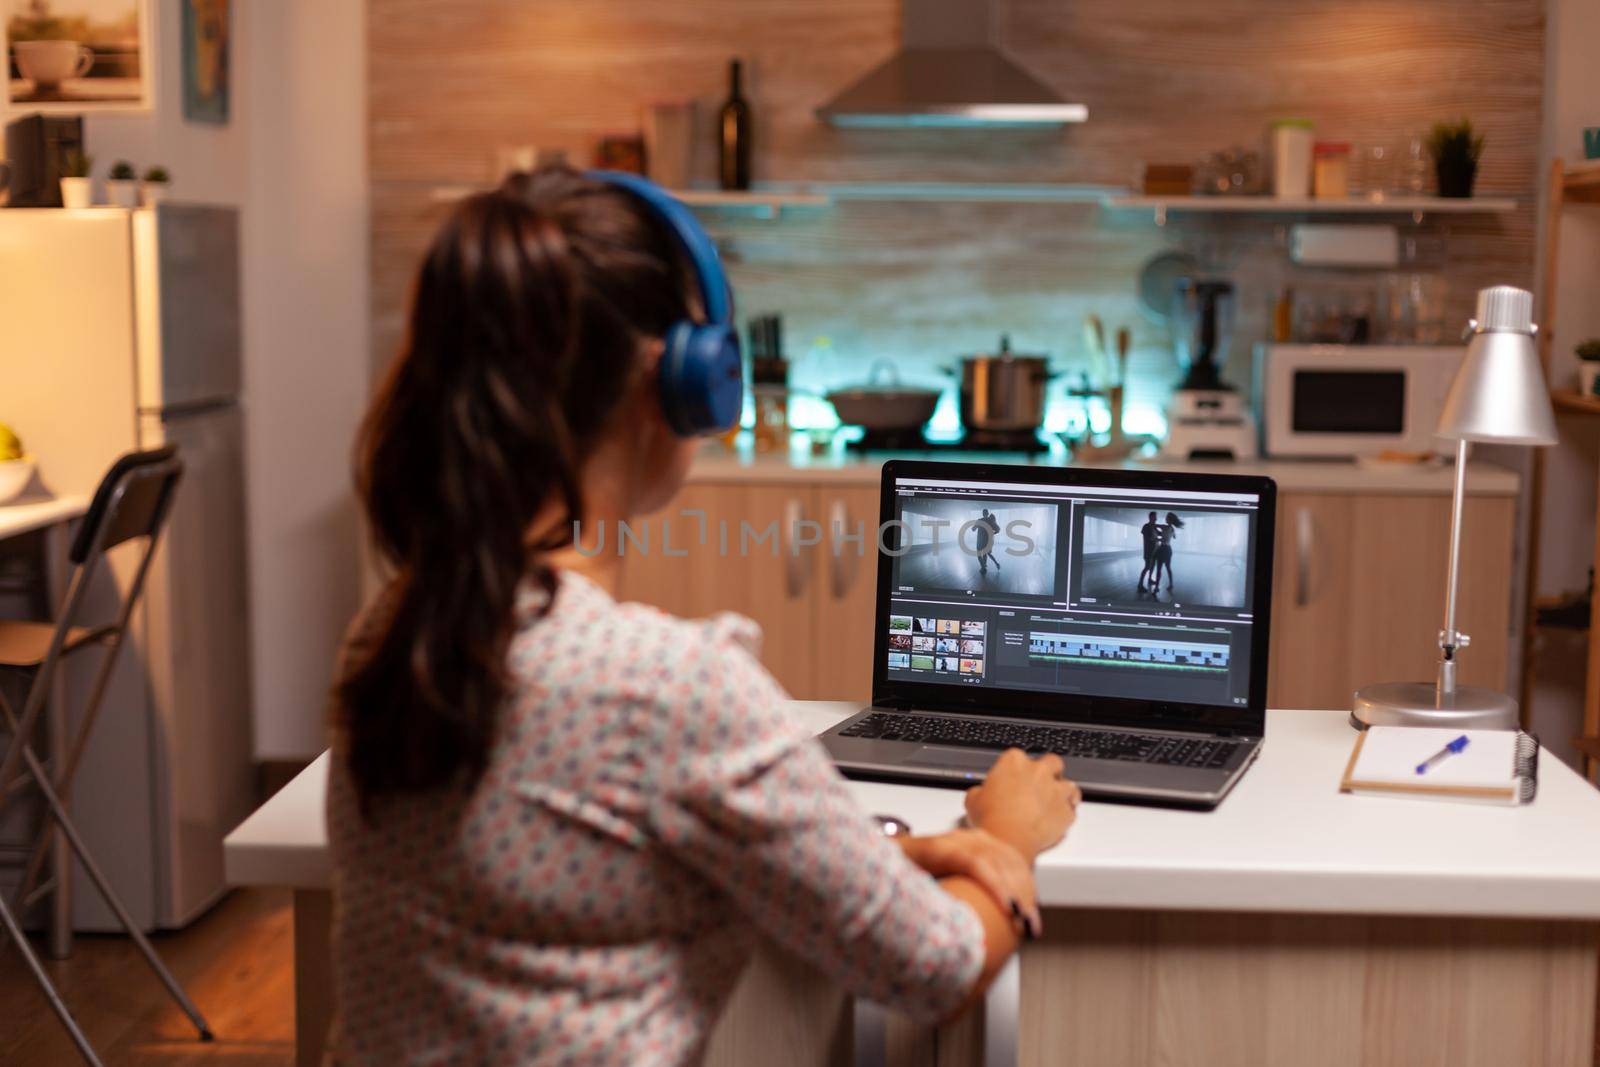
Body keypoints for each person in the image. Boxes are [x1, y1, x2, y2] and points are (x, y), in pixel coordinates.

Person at [326, 167, 1080, 1066]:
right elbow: (935, 970)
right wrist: (1006, 837)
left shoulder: (394, 631)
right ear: (683, 381)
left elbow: (594, 853)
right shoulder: (671, 689)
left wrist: (887, 857)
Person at [1152, 512, 1187, 592]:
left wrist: (1156, 538)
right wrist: (1162, 534)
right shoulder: (1172, 529)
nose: (1165, 518)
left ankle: (1157, 587)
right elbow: (1173, 537)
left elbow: (1154, 526)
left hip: (1163, 549)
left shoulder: (1164, 527)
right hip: (1168, 550)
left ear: (1169, 519)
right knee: (1168, 568)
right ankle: (1171, 585)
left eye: (1167, 517)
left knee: (1159, 569)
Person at [973, 507, 1002, 576]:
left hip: (980, 540)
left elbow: (973, 529)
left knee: (979, 555)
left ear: (983, 514)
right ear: (987, 513)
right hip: (988, 540)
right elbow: (998, 529)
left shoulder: (979, 520)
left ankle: (983, 567)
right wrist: (992, 533)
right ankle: (993, 564)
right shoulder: (991, 520)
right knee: (986, 554)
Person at [1138, 510, 1160, 591]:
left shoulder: (1154, 527)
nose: (1156, 518)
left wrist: (1166, 528)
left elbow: (1160, 534)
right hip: (1148, 551)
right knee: (1147, 567)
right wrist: (1156, 539)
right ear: (1151, 517)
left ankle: (1150, 579)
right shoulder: (1146, 526)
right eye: (1155, 517)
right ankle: (1140, 585)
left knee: (1152, 566)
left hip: (1155, 551)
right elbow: (1148, 538)